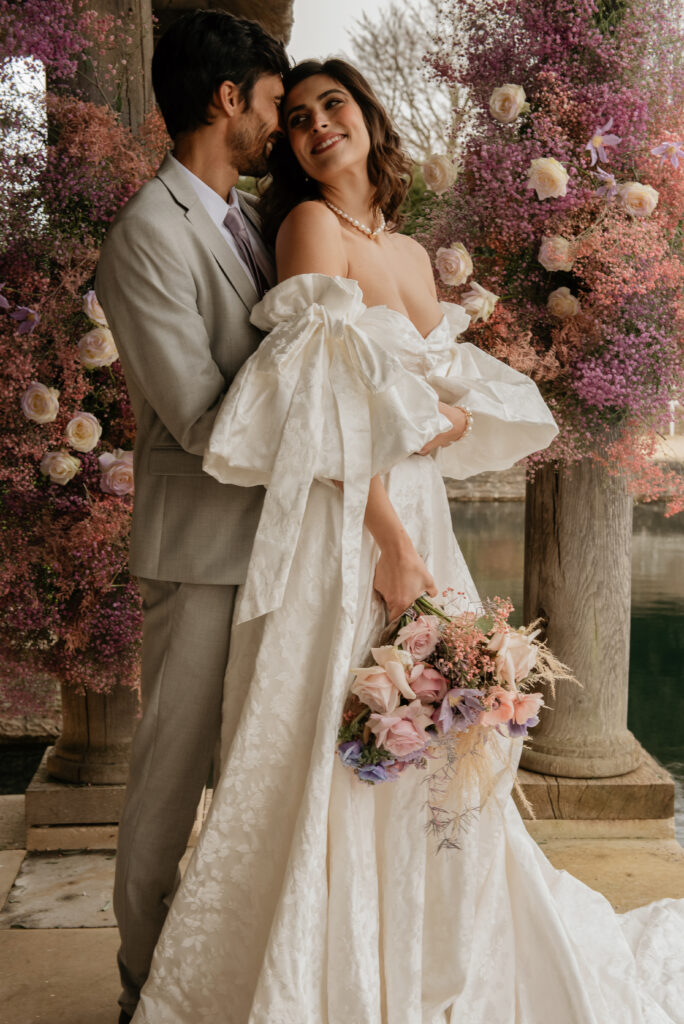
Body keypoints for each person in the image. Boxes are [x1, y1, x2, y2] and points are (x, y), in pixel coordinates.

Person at [131, 60, 684, 1024]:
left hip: (415, 504)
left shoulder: (414, 252)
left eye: (332, 105)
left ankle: (426, 954)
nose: (314, 127)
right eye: (295, 118)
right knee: (330, 734)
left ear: (369, 118)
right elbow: (317, 402)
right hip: (353, 516)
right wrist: (389, 539)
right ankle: (325, 970)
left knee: (436, 738)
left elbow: (416, 381)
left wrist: (453, 416)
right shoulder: (307, 229)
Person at [94, 12, 288, 1023]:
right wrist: (332, 385)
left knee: (258, 780)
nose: (281, 125)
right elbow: (204, 417)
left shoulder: (247, 217)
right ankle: (142, 987)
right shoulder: (146, 235)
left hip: (278, 547)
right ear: (229, 100)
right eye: (273, 103)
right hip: (202, 550)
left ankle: (218, 977)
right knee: (169, 783)